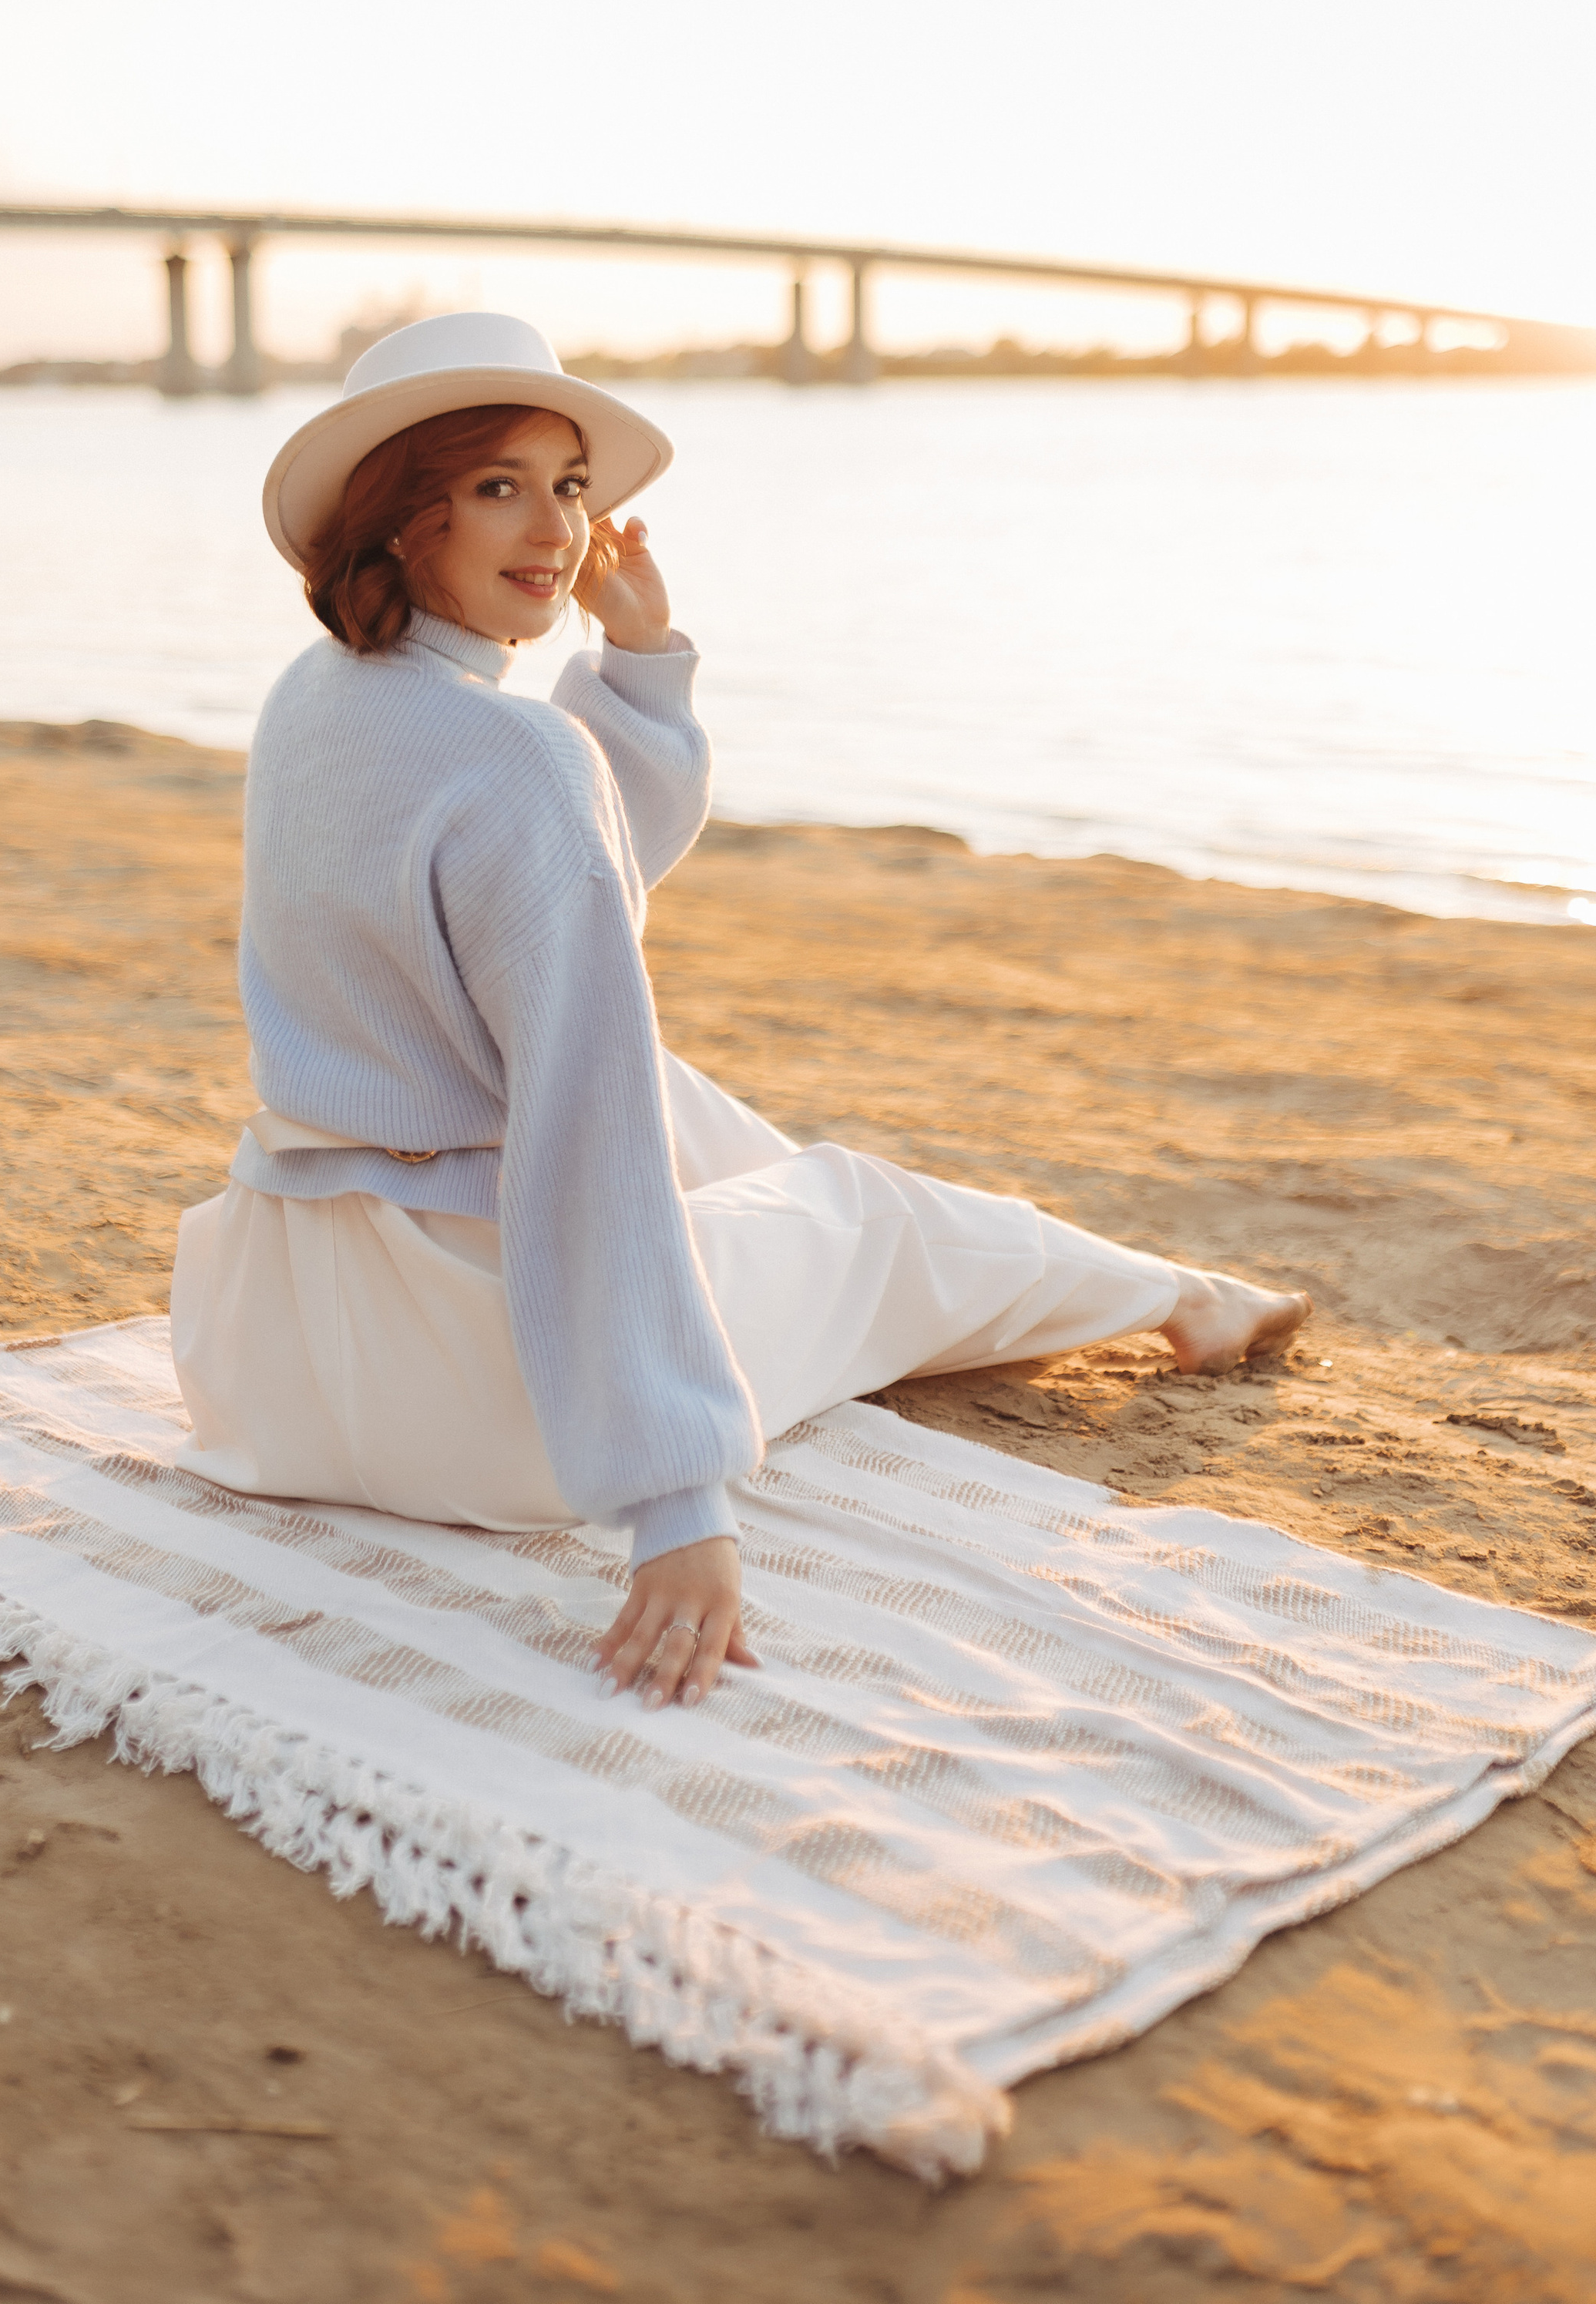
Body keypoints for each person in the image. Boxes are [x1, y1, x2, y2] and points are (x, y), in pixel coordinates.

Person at [170, 313, 1307, 1717]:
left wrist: (635, 667)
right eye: (498, 486)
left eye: (571, 484)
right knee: (860, 1207)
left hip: (272, 1358)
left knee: (663, 1081)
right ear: (405, 515)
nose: (558, 530)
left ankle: (1152, 1287)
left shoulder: (316, 698)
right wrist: (676, 1511)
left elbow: (551, 895)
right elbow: (582, 1130)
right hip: (475, 1404)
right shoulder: (520, 756)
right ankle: (1187, 1299)